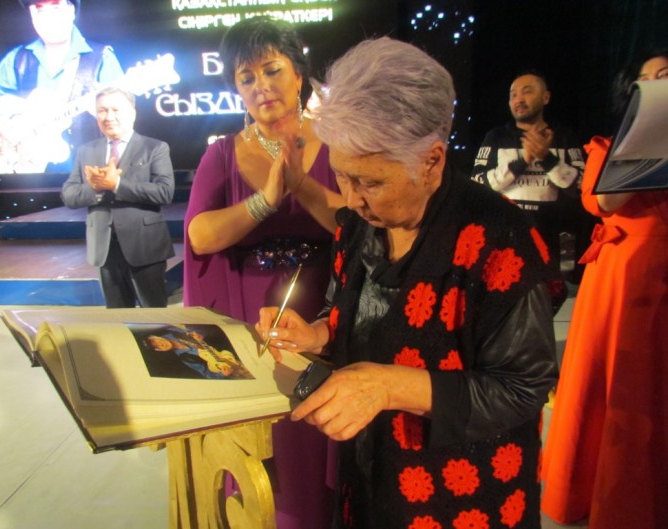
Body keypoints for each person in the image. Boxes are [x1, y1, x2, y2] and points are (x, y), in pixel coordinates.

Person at [256, 37, 559, 529]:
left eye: (371, 182)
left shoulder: (499, 239)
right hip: (373, 475)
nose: (352, 198)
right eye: (342, 176)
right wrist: (315, 334)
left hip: (462, 494)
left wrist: (390, 386)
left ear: (432, 161)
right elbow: (348, 313)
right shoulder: (360, 224)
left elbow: (523, 387)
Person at [183, 16, 344, 529]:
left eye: (272, 70)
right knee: (262, 440)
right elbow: (200, 236)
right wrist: (264, 201)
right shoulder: (222, 154)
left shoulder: (338, 143)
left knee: (314, 436)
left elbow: (359, 228)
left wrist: (301, 186)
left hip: (322, 313)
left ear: (298, 74)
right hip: (246, 317)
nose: (261, 86)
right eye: (246, 77)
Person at [541, 49, 668, 529]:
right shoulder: (606, 146)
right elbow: (606, 200)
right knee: (625, 388)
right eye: (649, 80)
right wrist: (650, 141)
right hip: (624, 279)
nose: (660, 87)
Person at [0, 0, 124, 174]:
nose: (48, 17)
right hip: (30, 174)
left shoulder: (101, 57)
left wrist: (104, 112)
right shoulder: (18, 58)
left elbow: (123, 120)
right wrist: (3, 125)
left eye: (56, 7)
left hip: (88, 175)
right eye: (39, 10)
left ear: (71, 11)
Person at [61, 86, 175, 308]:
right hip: (103, 247)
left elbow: (164, 191)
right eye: (102, 111)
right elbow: (69, 195)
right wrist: (95, 188)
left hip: (144, 246)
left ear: (132, 113)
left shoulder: (154, 147)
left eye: (116, 109)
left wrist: (117, 184)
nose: (109, 116)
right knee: (117, 316)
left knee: (155, 316)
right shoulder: (86, 151)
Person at [471, 71, 587, 275]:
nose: (519, 99)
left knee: (555, 292)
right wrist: (523, 161)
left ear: (546, 97)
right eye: (513, 95)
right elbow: (477, 184)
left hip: (554, 242)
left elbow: (583, 188)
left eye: (527, 92)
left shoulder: (564, 137)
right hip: (505, 239)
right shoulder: (497, 136)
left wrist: (547, 158)